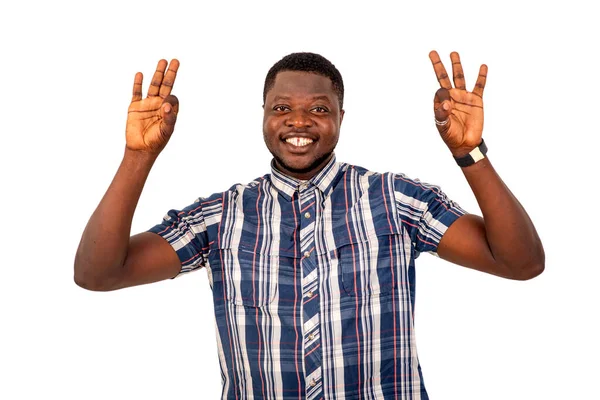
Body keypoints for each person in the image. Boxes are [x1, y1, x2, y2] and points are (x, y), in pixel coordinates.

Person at [74, 51, 545, 399]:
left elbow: (520, 263)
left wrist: (470, 153)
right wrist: (139, 157)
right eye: (282, 108)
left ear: (341, 117)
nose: (299, 120)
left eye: (320, 109)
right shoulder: (220, 216)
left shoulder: (395, 200)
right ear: (263, 115)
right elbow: (98, 274)